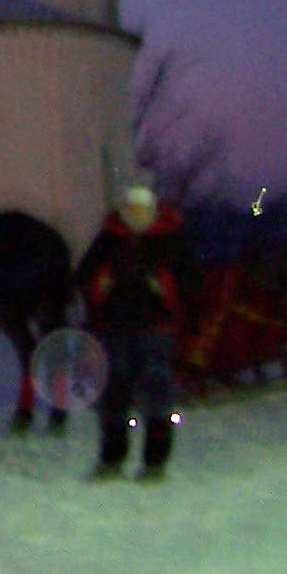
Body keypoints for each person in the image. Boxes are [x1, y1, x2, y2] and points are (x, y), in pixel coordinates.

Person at [76, 182, 191, 481]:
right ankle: (111, 460)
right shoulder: (110, 238)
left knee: (156, 395)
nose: (135, 215)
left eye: (141, 210)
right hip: (113, 329)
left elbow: (190, 278)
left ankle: (154, 463)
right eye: (130, 209)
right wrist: (99, 284)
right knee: (113, 397)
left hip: (155, 330)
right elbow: (85, 275)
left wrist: (163, 285)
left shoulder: (169, 239)